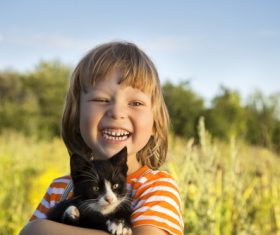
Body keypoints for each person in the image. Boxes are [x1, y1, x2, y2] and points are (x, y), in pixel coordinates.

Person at [19, 41, 184, 235]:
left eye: (136, 103)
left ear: (155, 124)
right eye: (101, 100)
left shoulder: (156, 188)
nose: (116, 112)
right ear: (76, 117)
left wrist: (39, 229)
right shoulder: (60, 189)